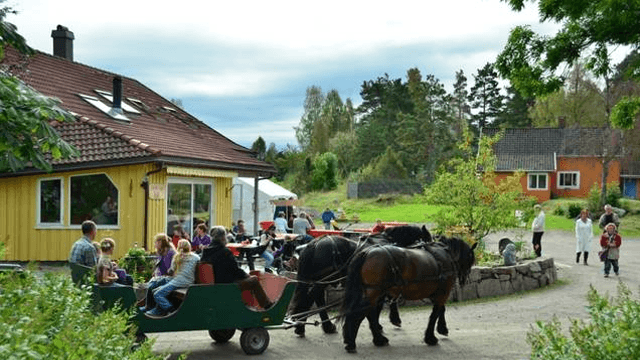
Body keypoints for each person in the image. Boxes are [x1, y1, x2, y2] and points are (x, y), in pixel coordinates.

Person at [201, 226, 273, 309]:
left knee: (248, 278)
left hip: (214, 283)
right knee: (254, 280)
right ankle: (267, 306)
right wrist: (247, 275)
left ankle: (246, 305)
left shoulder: (206, 252)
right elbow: (236, 270)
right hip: (226, 285)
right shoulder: (224, 251)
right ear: (223, 237)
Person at [146, 239, 200, 316]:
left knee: (157, 294)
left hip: (179, 281)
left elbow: (170, 271)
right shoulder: (195, 257)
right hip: (189, 280)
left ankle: (172, 311)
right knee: (157, 288)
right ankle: (157, 309)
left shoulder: (177, 257)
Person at [140, 233, 177, 311]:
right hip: (162, 276)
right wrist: (156, 274)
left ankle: (150, 307)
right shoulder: (161, 252)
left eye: (156, 242)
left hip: (170, 278)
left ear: (160, 242)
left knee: (152, 286)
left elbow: (171, 269)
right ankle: (149, 306)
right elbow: (159, 266)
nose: (155, 244)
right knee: (150, 284)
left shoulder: (170, 252)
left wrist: (159, 277)